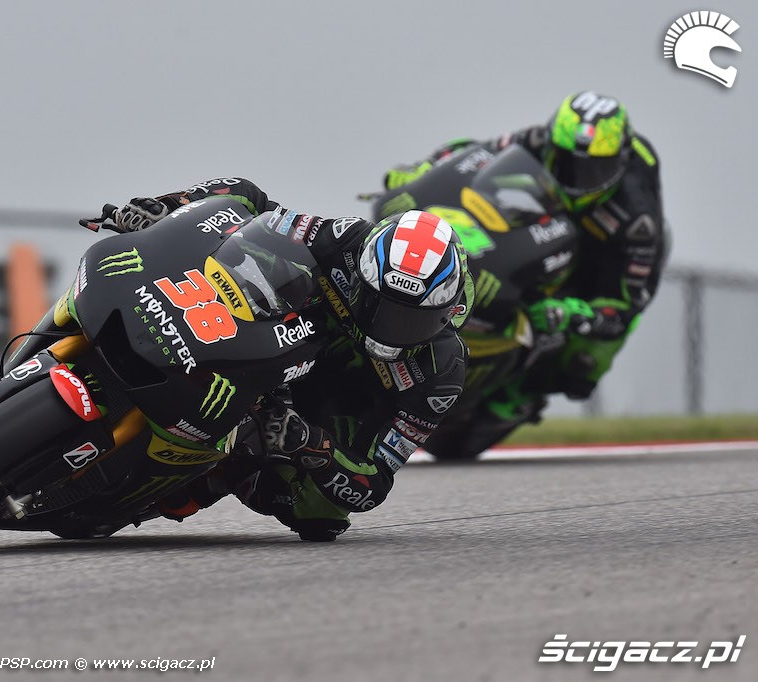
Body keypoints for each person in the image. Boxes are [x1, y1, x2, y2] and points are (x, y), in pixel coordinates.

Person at [108, 177, 473, 540]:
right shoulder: (347, 240)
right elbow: (253, 203)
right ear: (363, 271)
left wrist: (311, 442)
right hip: (280, 337)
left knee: (321, 515)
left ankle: (211, 478)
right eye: (378, 304)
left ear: (446, 312)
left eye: (409, 320)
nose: (387, 326)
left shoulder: (442, 371)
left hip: (331, 405)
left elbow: (373, 485)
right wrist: (171, 207)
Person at [382, 91, 667, 455]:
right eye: (566, 162)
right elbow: (473, 153)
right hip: (555, 233)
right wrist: (423, 171)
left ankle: (521, 394)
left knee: (583, 363)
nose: (577, 177)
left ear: (620, 162)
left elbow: (627, 305)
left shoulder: (638, 219)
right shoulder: (540, 140)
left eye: (593, 170)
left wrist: (575, 313)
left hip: (607, 264)